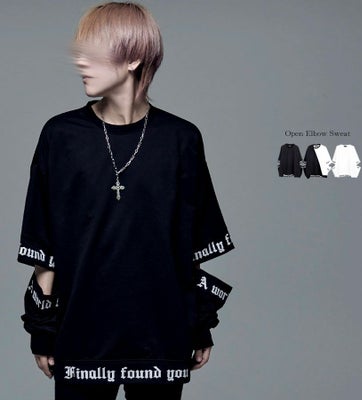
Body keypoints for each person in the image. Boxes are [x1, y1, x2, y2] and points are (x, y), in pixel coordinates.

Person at [17, 2, 234, 399]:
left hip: (161, 333)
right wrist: (42, 330)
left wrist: (199, 325)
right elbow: (45, 246)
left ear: (133, 59)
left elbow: (189, 242)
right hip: (82, 333)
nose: (80, 62)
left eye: (93, 52)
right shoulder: (60, 136)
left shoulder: (181, 139)